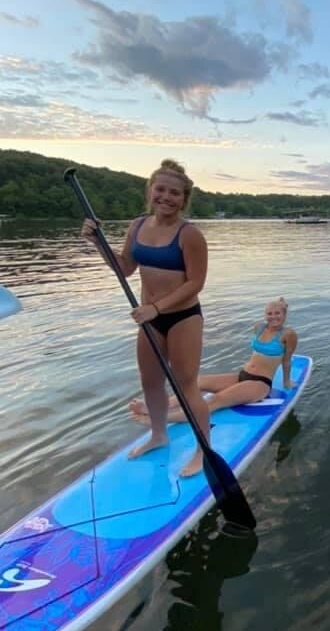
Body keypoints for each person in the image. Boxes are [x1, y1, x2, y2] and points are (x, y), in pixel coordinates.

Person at [81, 158, 209, 477]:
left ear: (184, 199)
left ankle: (203, 450)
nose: (166, 197)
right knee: (150, 382)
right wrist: (98, 243)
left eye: (175, 193)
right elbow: (125, 267)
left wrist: (157, 307)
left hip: (182, 318)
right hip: (149, 319)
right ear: (150, 190)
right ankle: (158, 435)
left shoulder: (190, 234)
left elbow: (196, 283)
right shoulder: (137, 226)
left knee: (186, 385)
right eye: (160, 189)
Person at [129, 298, 298, 425]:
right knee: (197, 382)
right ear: (265, 314)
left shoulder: (288, 335)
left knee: (214, 400)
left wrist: (286, 382)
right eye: (269, 313)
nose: (273, 317)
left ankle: (160, 419)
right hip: (242, 375)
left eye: (277, 313)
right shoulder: (259, 327)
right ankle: (154, 408)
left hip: (260, 384)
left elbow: (286, 361)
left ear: (284, 315)